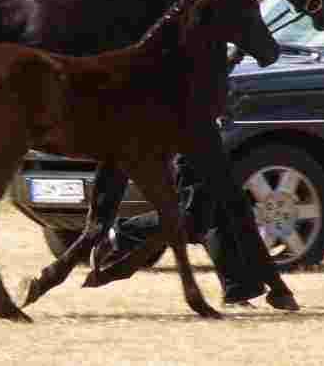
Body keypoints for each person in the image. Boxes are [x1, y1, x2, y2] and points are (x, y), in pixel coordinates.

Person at [90, 48, 271, 307]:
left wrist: (232, 59)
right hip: (190, 148)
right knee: (194, 218)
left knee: (218, 214)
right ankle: (119, 233)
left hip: (206, 145)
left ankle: (238, 290)